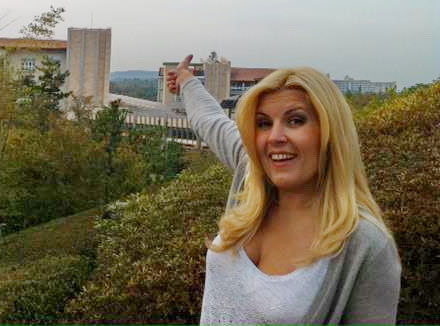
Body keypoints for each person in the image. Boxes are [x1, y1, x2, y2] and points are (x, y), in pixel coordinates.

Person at [167, 55, 401, 325]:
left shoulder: (365, 245)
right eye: (264, 123)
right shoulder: (252, 174)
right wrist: (187, 81)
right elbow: (212, 121)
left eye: (295, 121)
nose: (275, 137)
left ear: (330, 133)